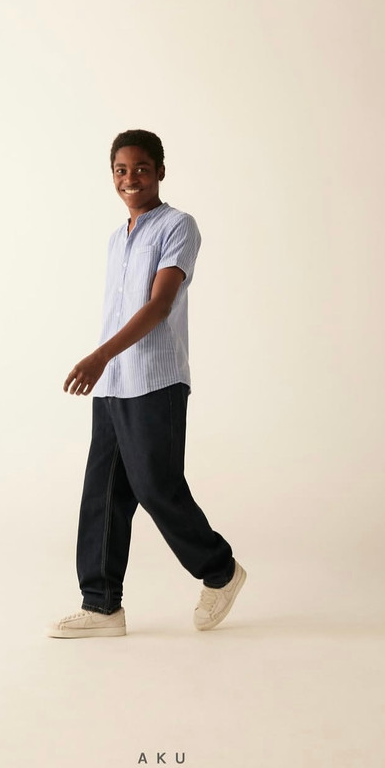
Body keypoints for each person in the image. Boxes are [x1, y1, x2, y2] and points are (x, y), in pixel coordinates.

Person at [48, 129, 245, 638]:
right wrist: (105, 365)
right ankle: (101, 606)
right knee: (103, 494)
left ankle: (220, 571)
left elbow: (159, 306)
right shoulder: (117, 238)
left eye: (140, 168)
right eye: (120, 170)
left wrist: (99, 355)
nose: (130, 178)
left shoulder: (178, 226)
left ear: (160, 170)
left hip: (155, 379)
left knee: (158, 487)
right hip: (113, 383)